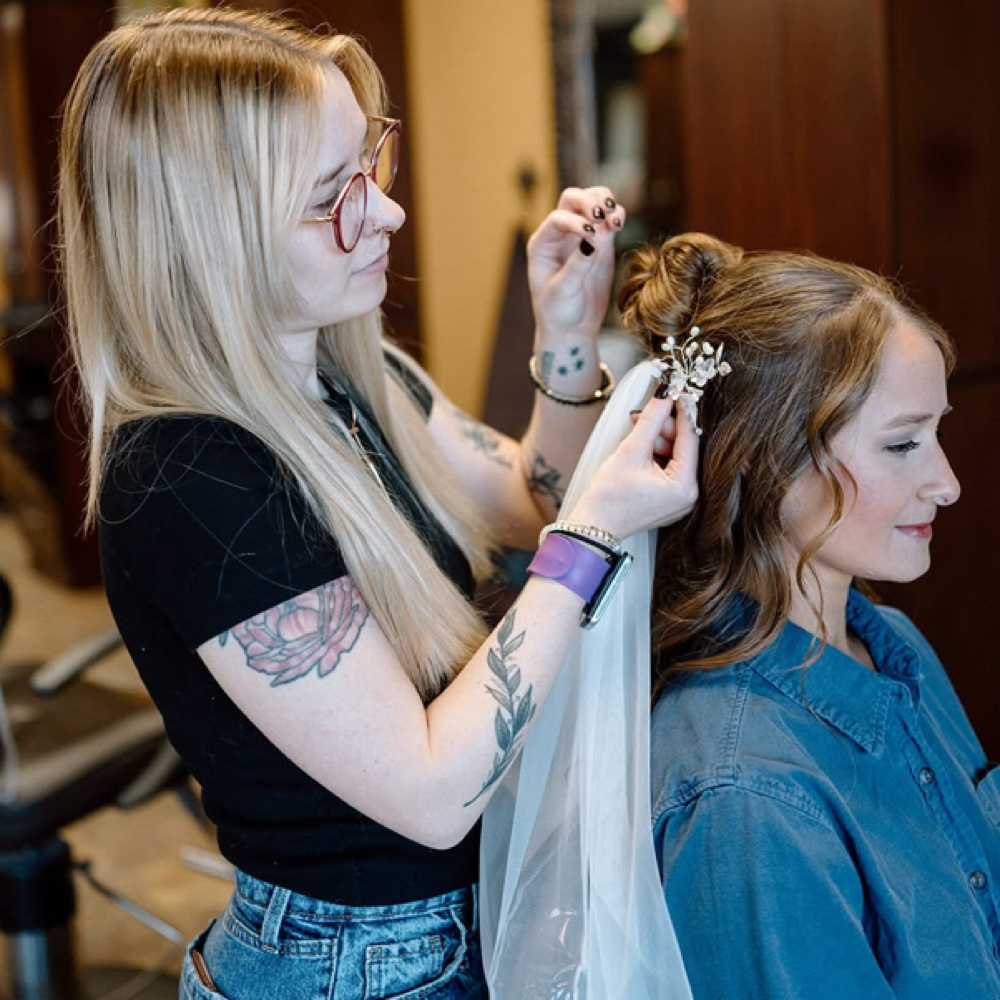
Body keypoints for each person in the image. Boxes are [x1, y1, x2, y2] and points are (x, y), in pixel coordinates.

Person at [57, 8, 700, 1000]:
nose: (389, 214)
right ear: (210, 238)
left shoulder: (353, 373)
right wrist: (597, 534)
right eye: (334, 197)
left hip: (468, 911)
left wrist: (566, 336)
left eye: (370, 164)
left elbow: (530, 500)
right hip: (354, 963)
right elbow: (432, 792)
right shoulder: (189, 478)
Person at [616, 233, 1000, 998]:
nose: (948, 482)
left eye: (937, 432)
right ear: (767, 460)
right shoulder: (743, 796)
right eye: (902, 444)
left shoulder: (893, 646)